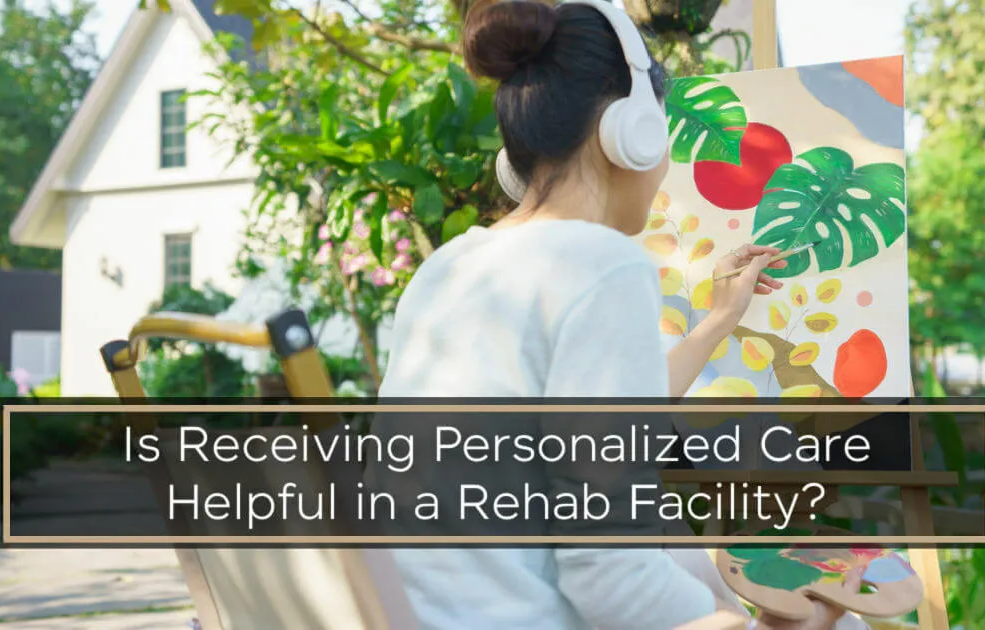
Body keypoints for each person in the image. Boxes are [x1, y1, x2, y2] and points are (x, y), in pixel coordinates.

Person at [368, 1, 867, 628]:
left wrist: (717, 320)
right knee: (830, 617)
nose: (664, 167)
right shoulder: (603, 263)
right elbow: (609, 576)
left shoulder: (448, 266)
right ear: (630, 133)